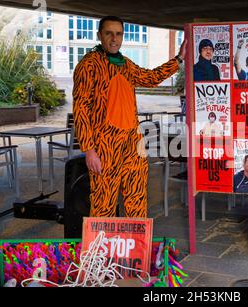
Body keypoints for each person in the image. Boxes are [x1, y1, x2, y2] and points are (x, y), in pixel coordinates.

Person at [73, 16, 187, 218]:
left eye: (118, 34)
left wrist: (178, 59)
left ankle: (135, 247)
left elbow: (150, 77)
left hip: (133, 144)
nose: (114, 39)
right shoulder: (89, 65)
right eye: (109, 33)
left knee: (137, 200)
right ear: (100, 35)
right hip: (105, 144)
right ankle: (102, 248)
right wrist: (89, 150)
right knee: (103, 204)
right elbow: (81, 108)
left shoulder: (126, 64)